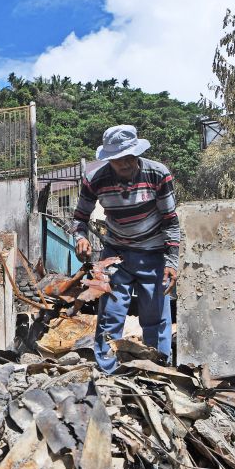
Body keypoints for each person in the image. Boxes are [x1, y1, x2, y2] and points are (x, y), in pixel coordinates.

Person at [72, 124, 180, 373]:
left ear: (137, 153)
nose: (126, 164)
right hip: (115, 254)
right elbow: (80, 218)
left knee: (156, 317)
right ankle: (107, 372)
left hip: (153, 253)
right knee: (110, 315)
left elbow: (171, 222)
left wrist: (172, 262)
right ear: (109, 159)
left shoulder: (158, 174)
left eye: (130, 157)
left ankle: (158, 371)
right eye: (119, 160)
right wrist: (80, 238)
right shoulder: (95, 180)